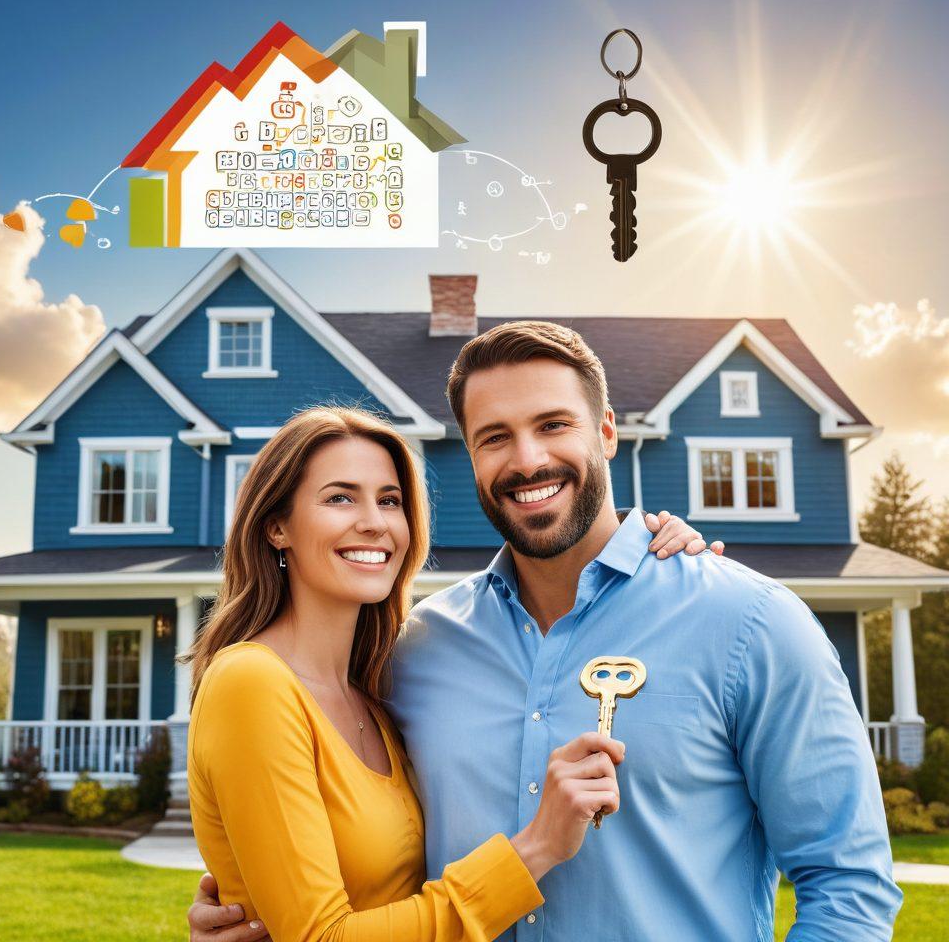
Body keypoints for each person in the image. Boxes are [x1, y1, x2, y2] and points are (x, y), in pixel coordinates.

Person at [186, 403, 715, 942]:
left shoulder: (382, 687)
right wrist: (537, 847)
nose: (373, 522)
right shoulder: (251, 682)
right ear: (277, 527)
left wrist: (652, 550)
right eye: (340, 498)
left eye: (389, 501)